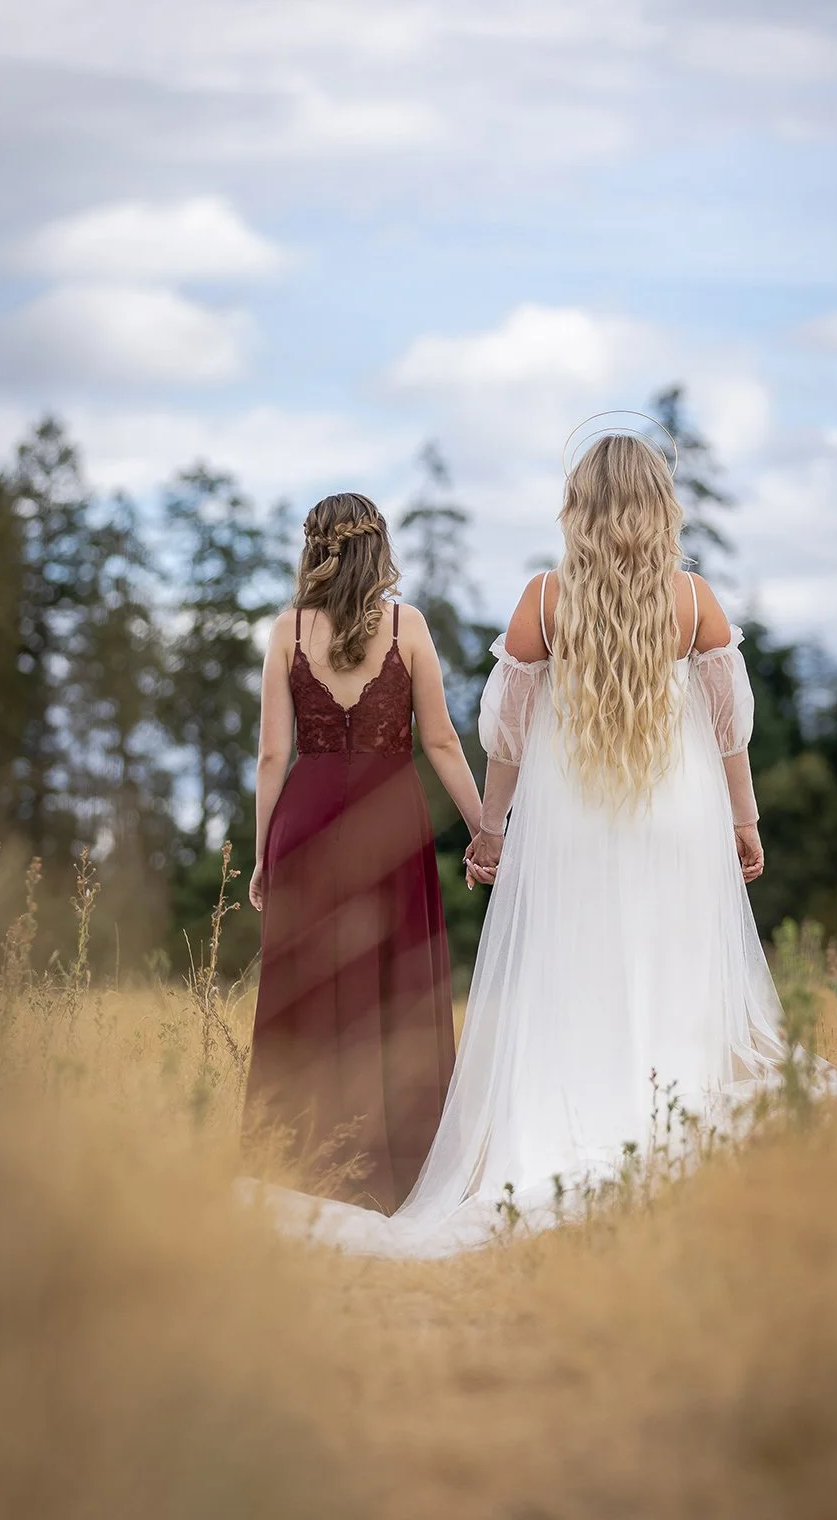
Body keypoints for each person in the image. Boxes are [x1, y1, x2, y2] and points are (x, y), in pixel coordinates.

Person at [247, 433, 828, 1257]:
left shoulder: (545, 600)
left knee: (574, 971)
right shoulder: (695, 600)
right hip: (676, 815)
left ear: (578, 508)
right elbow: (731, 729)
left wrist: (495, 827)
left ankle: (579, 1124)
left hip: (576, 817)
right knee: (672, 966)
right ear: (660, 504)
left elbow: (504, 733)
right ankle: (668, 1134)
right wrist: (744, 819)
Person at [243, 493, 482, 1212]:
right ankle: (399, 1173)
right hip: (390, 822)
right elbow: (440, 740)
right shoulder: (408, 627)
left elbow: (270, 756)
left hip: (306, 823)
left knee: (310, 993)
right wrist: (483, 829)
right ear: (378, 548)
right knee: (395, 988)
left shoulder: (288, 630)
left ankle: (302, 1165)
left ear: (312, 549)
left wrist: (262, 855)